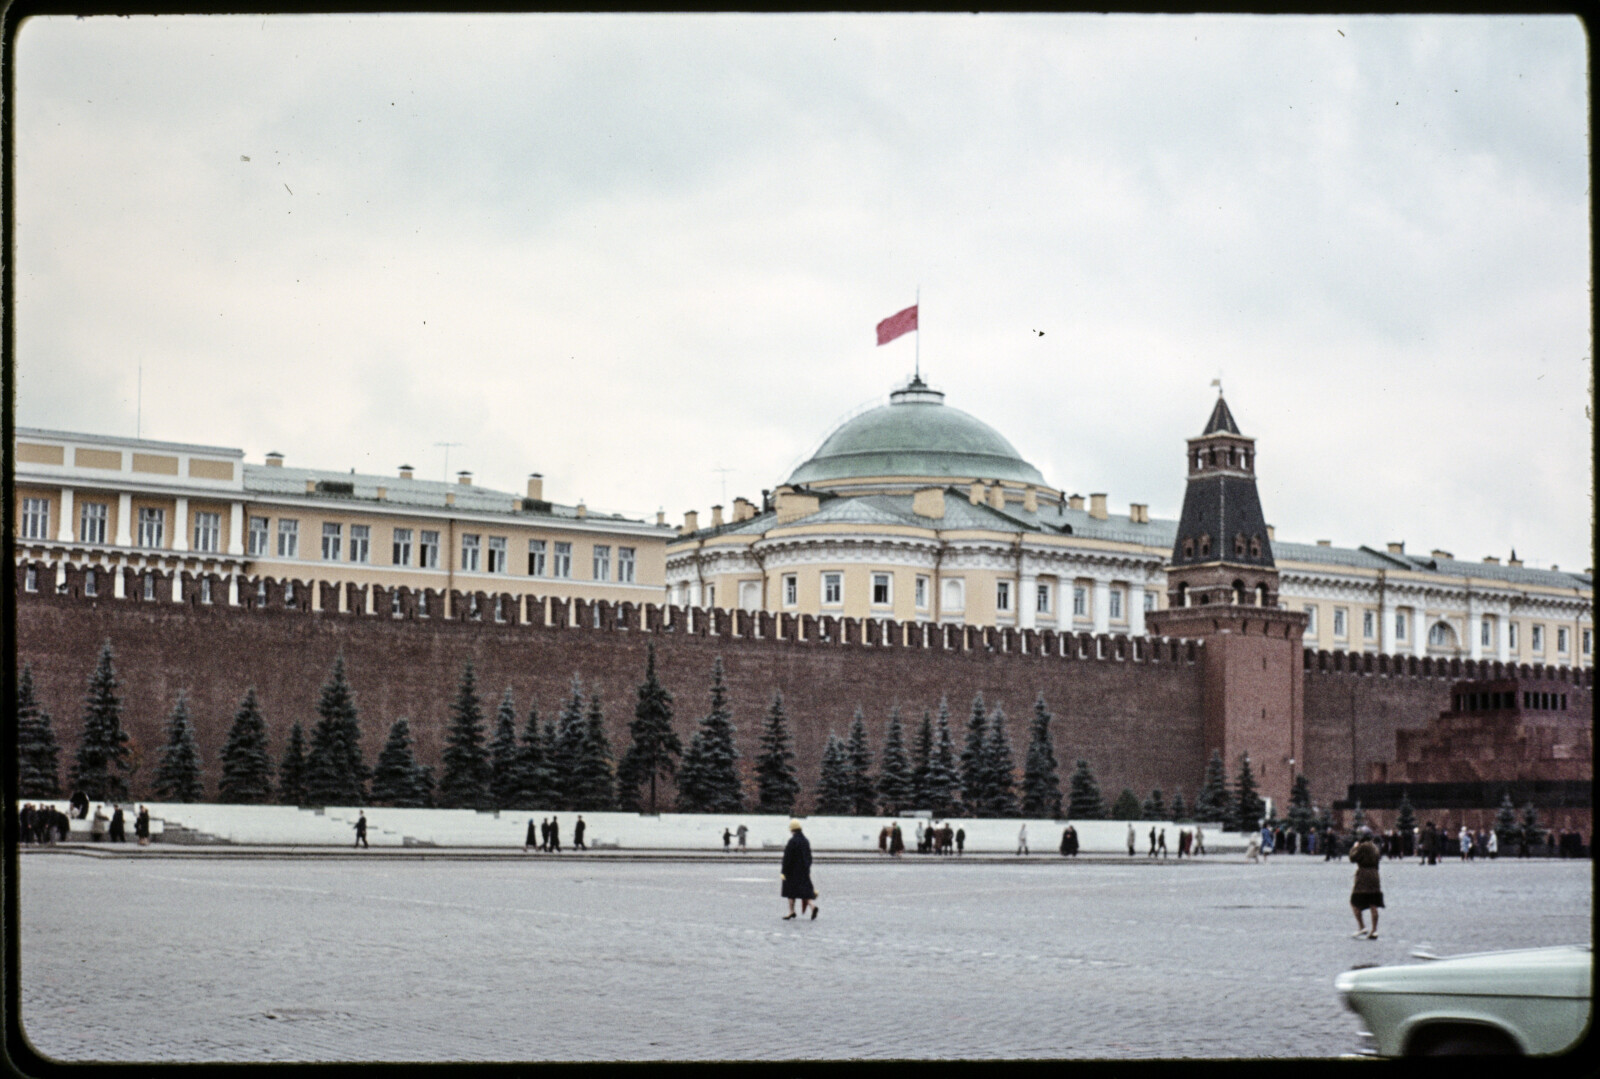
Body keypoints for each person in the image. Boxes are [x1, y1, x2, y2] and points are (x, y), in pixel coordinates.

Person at [1349, 826, 1384, 939]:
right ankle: (1374, 930)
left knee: (1354, 901)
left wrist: (1354, 848)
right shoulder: (1375, 847)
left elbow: (1352, 858)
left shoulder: (1362, 847)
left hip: (1363, 875)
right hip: (1374, 875)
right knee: (1373, 903)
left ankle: (1362, 926)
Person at [780, 819, 818, 920]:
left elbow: (787, 857)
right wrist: (807, 868)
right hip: (804, 871)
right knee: (805, 891)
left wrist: (784, 871)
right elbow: (809, 856)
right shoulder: (806, 841)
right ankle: (812, 906)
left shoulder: (792, 841)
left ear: (792, 830)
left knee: (790, 892)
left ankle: (791, 911)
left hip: (792, 872)